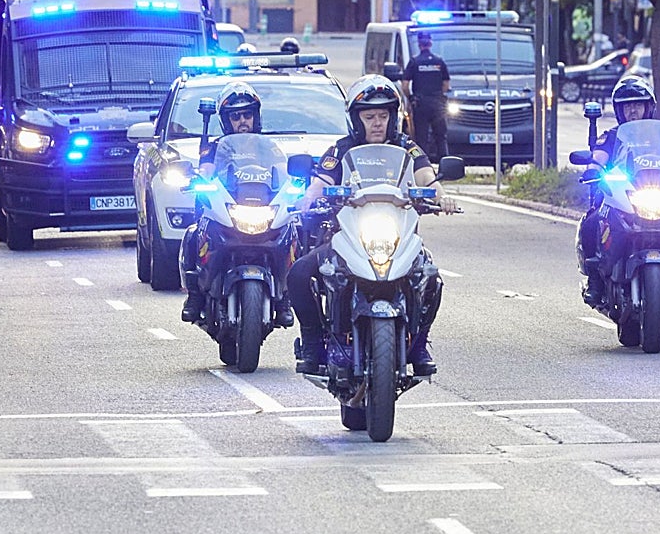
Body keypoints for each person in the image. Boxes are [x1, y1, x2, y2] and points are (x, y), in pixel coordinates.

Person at [287, 74, 456, 376]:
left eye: (383, 116)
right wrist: (308, 200)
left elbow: (427, 177)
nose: (377, 123)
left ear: (394, 118)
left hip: (396, 237)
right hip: (348, 235)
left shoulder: (407, 147)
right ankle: (313, 342)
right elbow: (320, 182)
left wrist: (442, 198)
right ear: (356, 119)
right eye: (369, 116)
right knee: (299, 273)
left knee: (431, 277)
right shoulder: (341, 149)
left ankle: (418, 345)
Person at [577, 75, 660, 318]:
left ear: (649, 106)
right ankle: (595, 280)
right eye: (627, 105)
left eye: (638, 104)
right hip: (621, 195)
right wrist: (593, 167)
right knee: (592, 222)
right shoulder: (611, 136)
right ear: (619, 110)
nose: (633, 110)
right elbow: (599, 155)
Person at [179, 81, 297, 325]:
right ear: (226, 120)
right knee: (193, 235)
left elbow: (284, 175)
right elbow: (206, 171)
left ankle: (284, 296)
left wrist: (293, 188)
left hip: (261, 208)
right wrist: (201, 179)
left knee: (292, 231)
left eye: (247, 115)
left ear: (256, 116)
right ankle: (194, 297)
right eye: (236, 116)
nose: (243, 121)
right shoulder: (215, 148)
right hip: (228, 208)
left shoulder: (271, 148)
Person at [401, 31, 451, 162]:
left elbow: (405, 85)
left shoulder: (414, 62)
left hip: (421, 104)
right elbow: (446, 84)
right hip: (437, 103)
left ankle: (423, 164)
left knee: (421, 138)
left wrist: (410, 98)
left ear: (419, 44)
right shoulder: (439, 62)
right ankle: (444, 165)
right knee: (441, 137)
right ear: (430, 43)